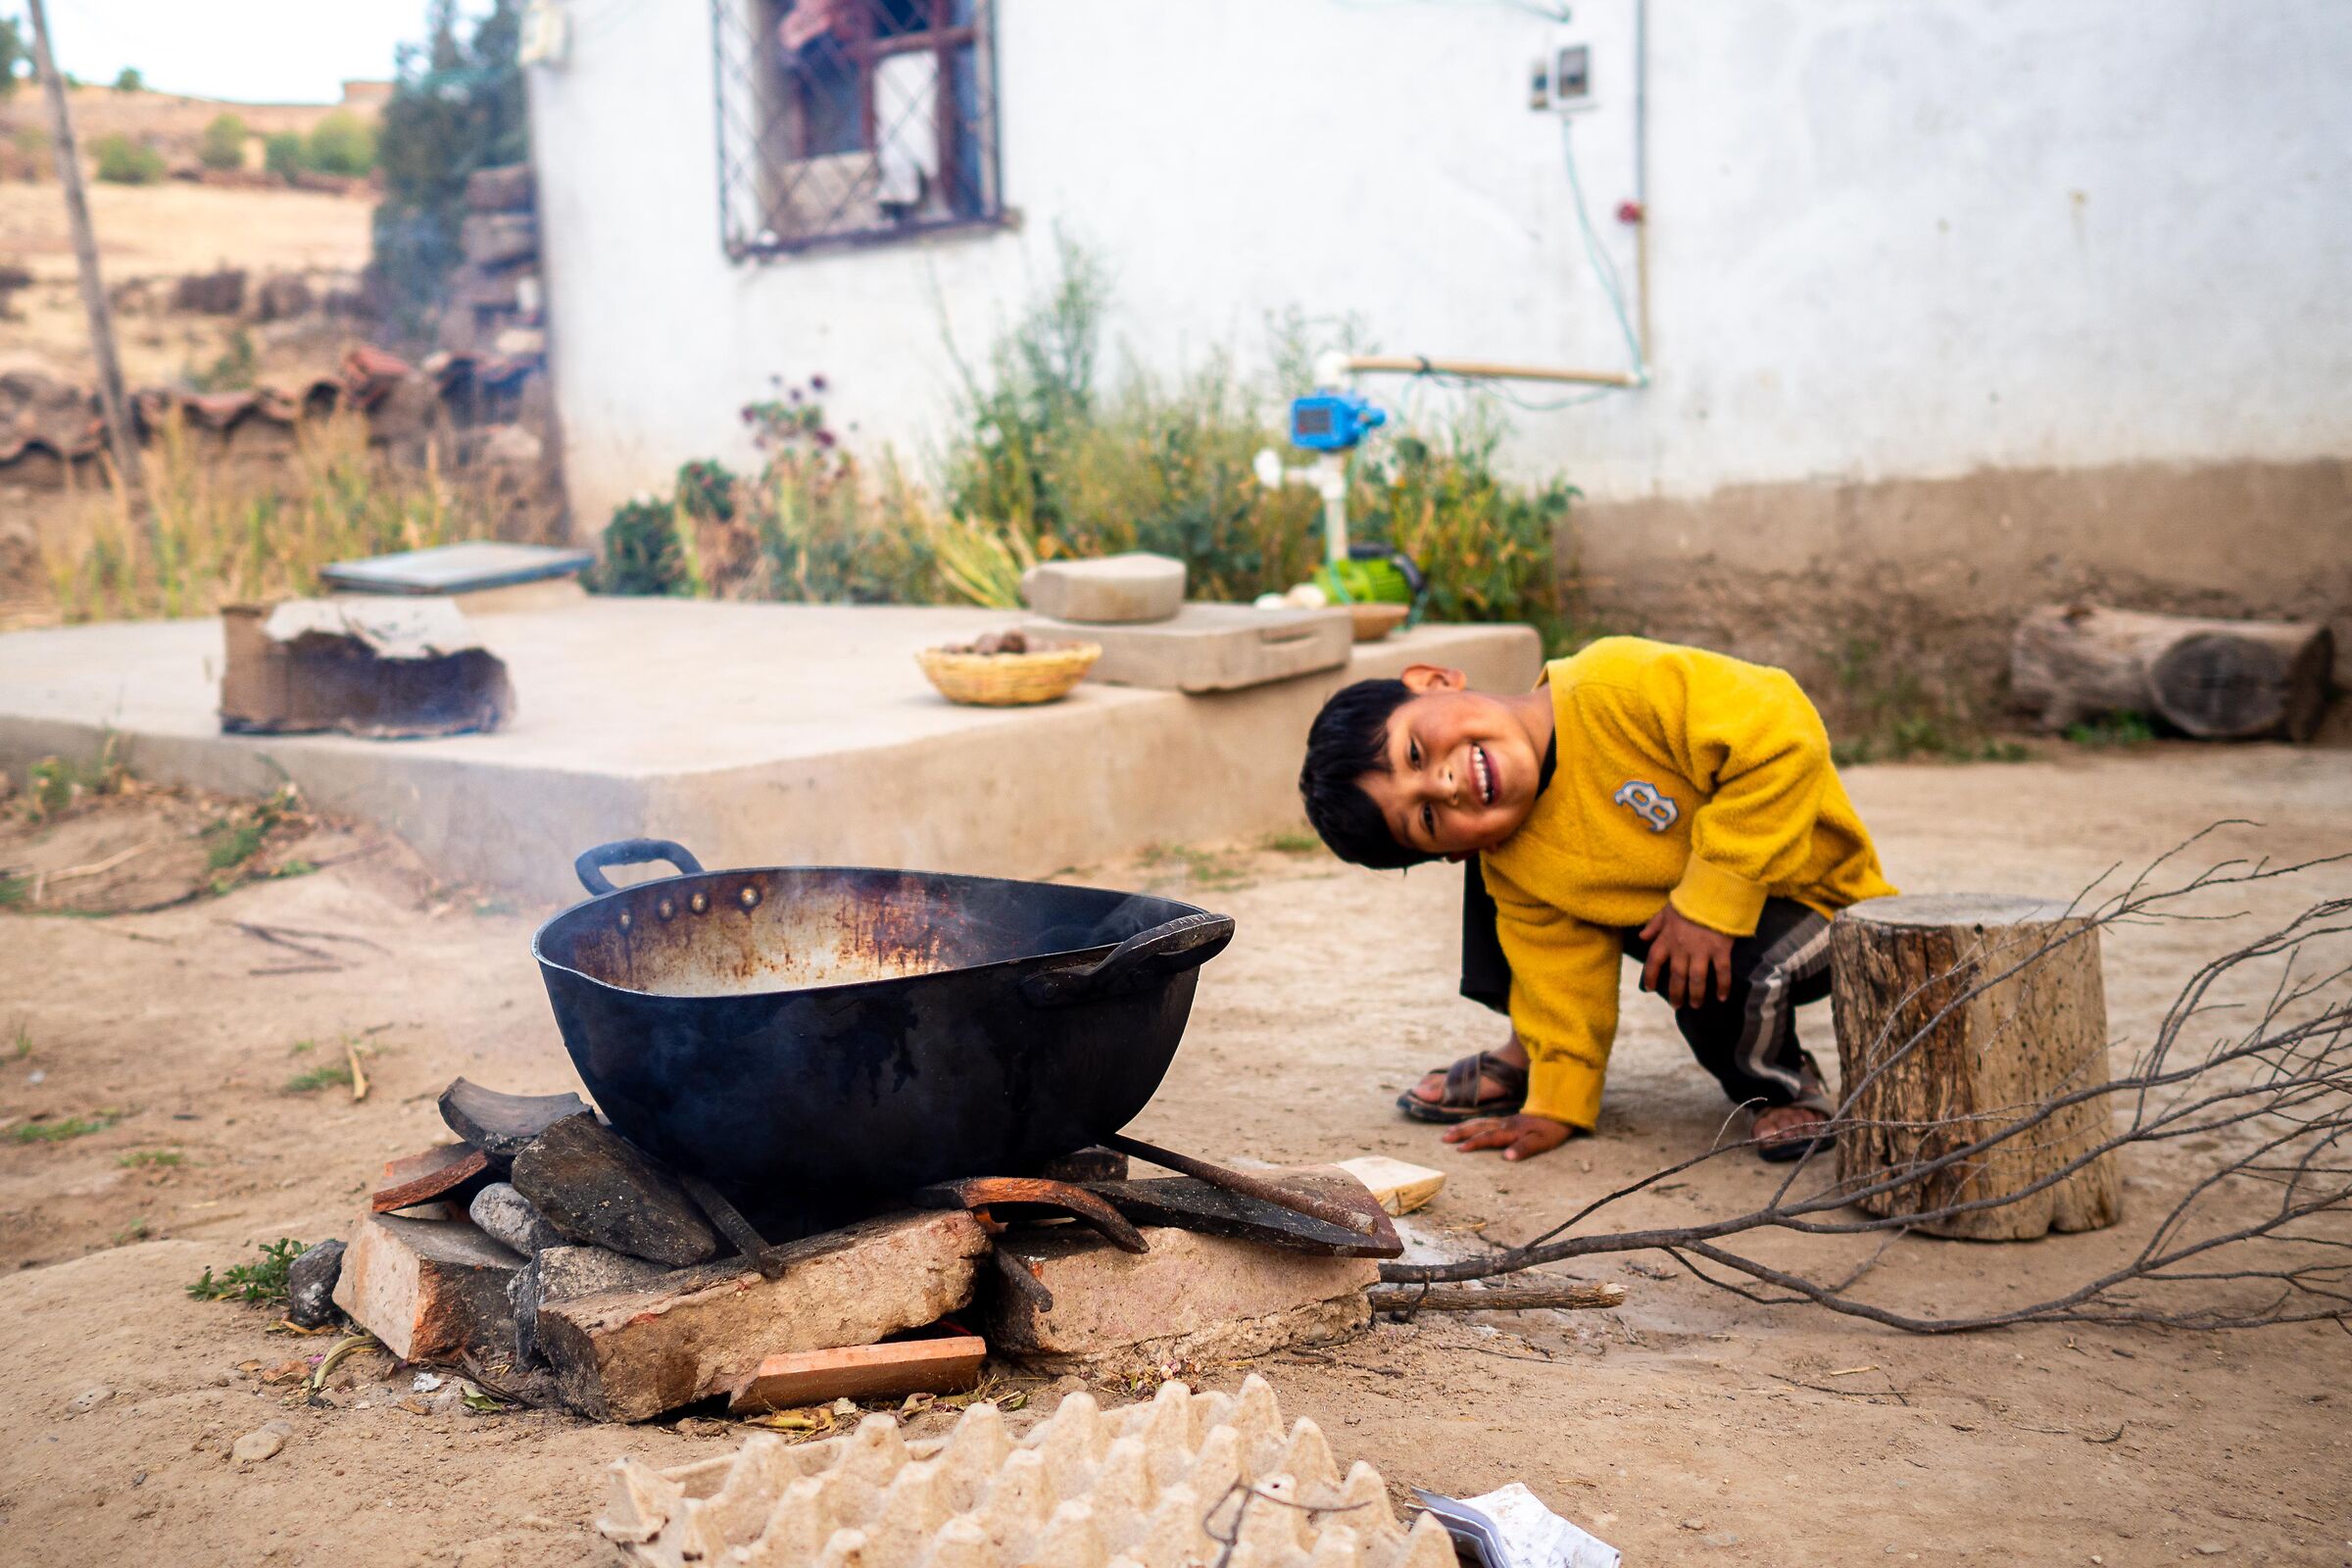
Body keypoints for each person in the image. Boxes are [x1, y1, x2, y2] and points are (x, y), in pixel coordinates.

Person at [1297, 636, 1895, 1162]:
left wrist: (1712, 900)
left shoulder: (1613, 684)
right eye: (1425, 817)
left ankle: (1783, 1089)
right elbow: (1560, 975)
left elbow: (1782, 731)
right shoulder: (1510, 855)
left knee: (1729, 963)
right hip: (1685, 928)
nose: (1445, 785)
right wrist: (1558, 1102)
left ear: (1435, 681)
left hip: (1819, 901)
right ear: (1448, 854)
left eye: (1415, 754)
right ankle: (1533, 1058)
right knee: (1518, 886)